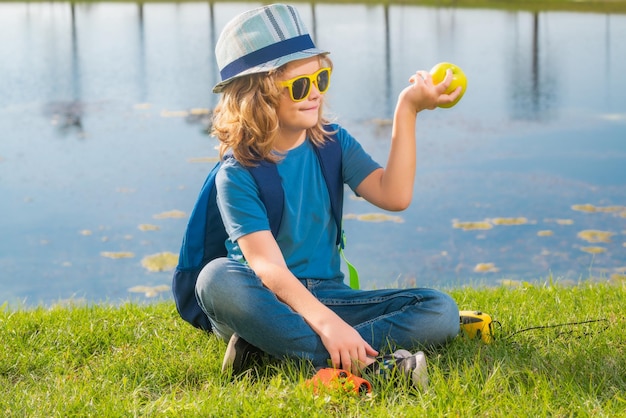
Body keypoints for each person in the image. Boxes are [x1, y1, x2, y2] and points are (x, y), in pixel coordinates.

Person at [195, 3, 461, 388]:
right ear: (257, 97)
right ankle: (371, 364)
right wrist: (327, 324)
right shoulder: (237, 174)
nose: (315, 94)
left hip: (330, 294)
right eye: (300, 86)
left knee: (440, 310)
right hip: (263, 300)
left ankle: (270, 350)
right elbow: (268, 270)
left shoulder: (332, 144)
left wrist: (408, 110)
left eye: (321, 78)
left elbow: (394, 194)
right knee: (215, 278)